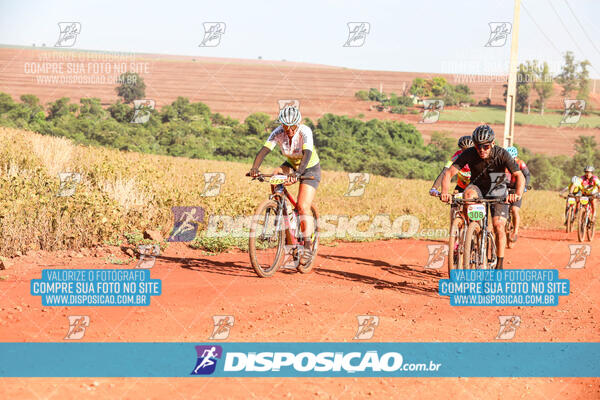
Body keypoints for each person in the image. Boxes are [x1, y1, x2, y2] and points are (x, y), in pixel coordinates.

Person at [439, 124, 525, 270]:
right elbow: (448, 173)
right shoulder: (469, 153)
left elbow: (519, 175)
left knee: (498, 226)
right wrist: (445, 192)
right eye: (478, 146)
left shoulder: (502, 154)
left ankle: (499, 263)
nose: (481, 150)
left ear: (492, 143)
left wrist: (517, 195)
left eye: (485, 146)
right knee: (468, 194)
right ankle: (472, 229)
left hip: (497, 189)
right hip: (477, 187)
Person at [248, 105, 321, 265]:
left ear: (298, 123)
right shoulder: (278, 133)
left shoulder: (305, 131)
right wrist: (255, 169)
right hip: (291, 164)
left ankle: (307, 246)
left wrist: (298, 174)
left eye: (292, 126)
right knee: (276, 174)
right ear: (281, 125)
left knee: (302, 206)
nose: (289, 130)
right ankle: (282, 208)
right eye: (285, 126)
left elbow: (307, 153)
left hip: (309, 167)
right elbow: (264, 150)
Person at [505, 146, 531, 241]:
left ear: (515, 157)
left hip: (517, 188)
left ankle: (515, 232)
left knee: (515, 210)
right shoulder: (503, 163)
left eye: (512, 158)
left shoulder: (520, 163)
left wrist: (524, 187)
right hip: (506, 187)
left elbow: (527, 175)